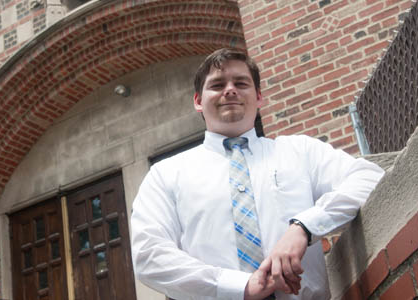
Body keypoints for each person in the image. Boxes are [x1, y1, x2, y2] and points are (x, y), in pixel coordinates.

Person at [129, 48, 384, 300]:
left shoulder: (299, 151)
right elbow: (149, 255)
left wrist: (304, 227)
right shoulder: (165, 174)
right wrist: (238, 287)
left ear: (259, 97)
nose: (230, 90)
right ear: (198, 101)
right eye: (217, 85)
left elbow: (368, 178)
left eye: (241, 83)